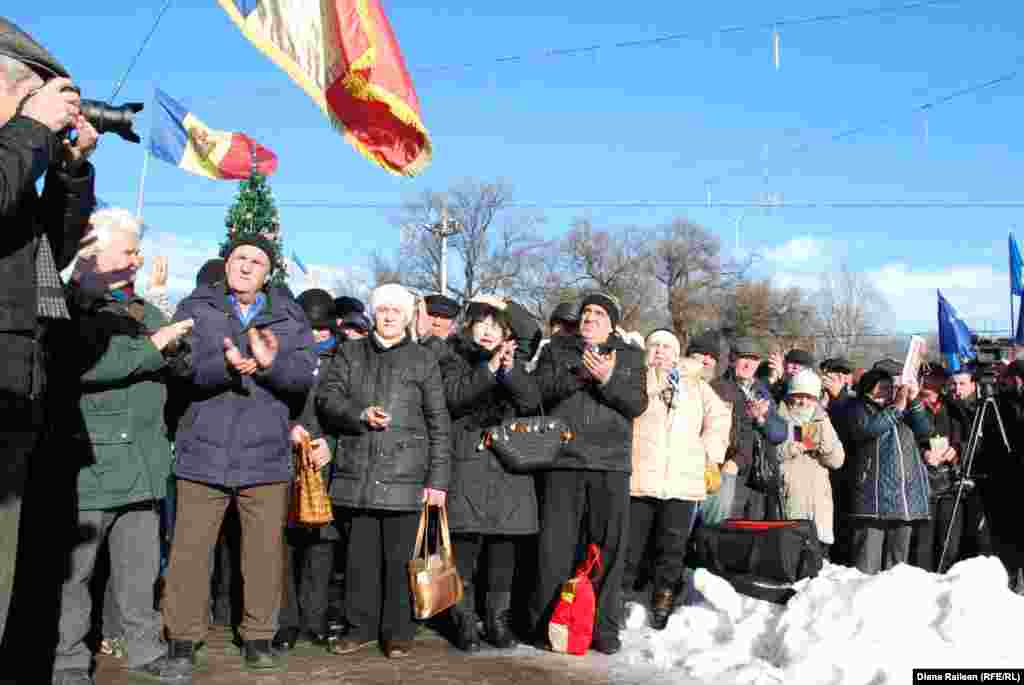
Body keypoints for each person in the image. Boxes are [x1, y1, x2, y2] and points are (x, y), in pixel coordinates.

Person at [161, 232, 316, 675]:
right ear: (226, 263)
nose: (245, 266)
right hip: (203, 450)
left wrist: (269, 366)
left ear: (269, 273)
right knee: (190, 551)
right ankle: (183, 637)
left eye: (256, 261)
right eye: (238, 258)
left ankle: (258, 637)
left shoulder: (290, 316)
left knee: (264, 554)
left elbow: (303, 376)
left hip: (265, 454)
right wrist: (222, 366)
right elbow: (179, 368)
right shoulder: (196, 307)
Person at [51, 209, 193, 684]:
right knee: (74, 577)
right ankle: (67, 661)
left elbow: (179, 360)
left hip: (143, 463)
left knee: (139, 573)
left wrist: (178, 351)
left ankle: (145, 650)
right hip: (88, 461)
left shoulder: (138, 307)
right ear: (93, 252)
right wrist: (156, 347)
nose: (137, 260)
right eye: (128, 251)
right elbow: (82, 364)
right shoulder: (64, 303)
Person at [0, 19, 99, 673]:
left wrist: (70, 170)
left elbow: (48, 259)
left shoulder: (17, 158)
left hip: (20, 388)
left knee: (14, 573)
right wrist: (32, 130)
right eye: (34, 93)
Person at [316, 283, 451, 659]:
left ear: (408, 317)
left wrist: (438, 481)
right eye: (383, 309)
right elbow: (328, 398)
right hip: (358, 469)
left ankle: (397, 631)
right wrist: (358, 414)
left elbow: (439, 423)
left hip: (406, 475)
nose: (389, 316)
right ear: (374, 313)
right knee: (359, 559)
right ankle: (359, 628)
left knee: (399, 560)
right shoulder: (350, 352)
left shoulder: (423, 360)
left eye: (397, 311)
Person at [528, 293, 648, 655]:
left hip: (610, 465)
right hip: (563, 462)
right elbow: (539, 394)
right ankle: (546, 625)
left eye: (599, 313)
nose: (590, 318)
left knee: (607, 552)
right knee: (554, 550)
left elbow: (637, 403)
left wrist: (608, 378)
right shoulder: (557, 350)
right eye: (586, 313)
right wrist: (580, 375)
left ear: (612, 323)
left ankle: (604, 628)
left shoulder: (629, 356)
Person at [438, 297, 541, 651]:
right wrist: (488, 371)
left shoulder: (519, 362)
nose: (486, 331)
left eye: (495, 326)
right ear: (469, 327)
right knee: (464, 549)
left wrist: (509, 371)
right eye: (481, 323)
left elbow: (531, 403)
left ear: (507, 332)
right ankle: (464, 620)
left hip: (507, 469)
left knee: (502, 550)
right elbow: (454, 398)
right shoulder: (453, 358)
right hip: (467, 463)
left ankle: (497, 620)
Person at [624, 330, 729, 630]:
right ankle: (620, 598)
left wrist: (707, 452)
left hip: (683, 480)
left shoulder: (695, 384)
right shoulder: (638, 379)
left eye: (667, 347)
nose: (659, 351)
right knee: (632, 544)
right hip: (641, 475)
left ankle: (663, 597)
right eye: (654, 345)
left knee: (672, 546)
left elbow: (720, 418)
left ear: (677, 353)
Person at [273, 289, 340, 652]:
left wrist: (331, 442)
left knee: (320, 544)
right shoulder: (282, 355)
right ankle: (286, 621)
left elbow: (355, 412)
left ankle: (313, 619)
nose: (315, 335)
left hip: (324, 462)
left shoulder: (345, 359)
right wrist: (284, 428)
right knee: (283, 544)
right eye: (309, 327)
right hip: (283, 459)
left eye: (322, 329)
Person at [844, 368, 930, 574]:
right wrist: (897, 407)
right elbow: (869, 429)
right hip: (873, 495)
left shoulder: (901, 408)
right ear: (868, 389)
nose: (888, 391)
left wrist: (914, 400)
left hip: (905, 494)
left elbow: (924, 430)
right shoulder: (858, 408)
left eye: (890, 387)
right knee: (867, 561)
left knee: (898, 564)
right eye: (882, 387)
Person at [708, 339, 788, 521]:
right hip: (729, 473)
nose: (748, 364)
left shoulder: (762, 391)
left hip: (759, 477)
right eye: (743, 358)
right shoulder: (718, 388)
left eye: (753, 359)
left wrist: (761, 419)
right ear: (731, 360)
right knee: (726, 531)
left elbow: (780, 433)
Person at [776, 370, 845, 554]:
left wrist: (823, 424)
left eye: (809, 397)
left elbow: (837, 460)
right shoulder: (781, 419)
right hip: (790, 501)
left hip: (819, 506)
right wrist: (796, 447)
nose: (804, 402)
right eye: (799, 396)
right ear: (790, 395)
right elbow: (774, 453)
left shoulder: (822, 420)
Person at [908, 366, 964, 573]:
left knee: (949, 541)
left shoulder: (953, 407)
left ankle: (945, 584)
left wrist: (956, 450)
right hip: (922, 483)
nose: (929, 384)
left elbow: (967, 436)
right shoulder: (911, 407)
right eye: (926, 379)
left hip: (950, 482)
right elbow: (905, 440)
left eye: (935, 380)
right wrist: (923, 454)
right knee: (923, 543)